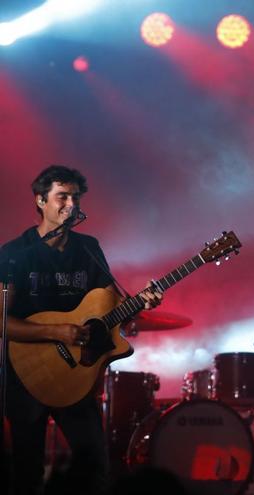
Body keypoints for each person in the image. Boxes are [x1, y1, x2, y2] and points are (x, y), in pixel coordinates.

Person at [0, 165, 162, 494]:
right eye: (62, 197)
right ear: (41, 201)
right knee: (26, 474)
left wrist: (141, 303)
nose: (70, 205)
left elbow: (110, 308)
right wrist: (56, 332)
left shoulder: (88, 248)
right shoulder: (14, 254)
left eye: (75, 197)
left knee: (95, 467)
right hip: (27, 375)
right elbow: (2, 322)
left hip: (76, 376)